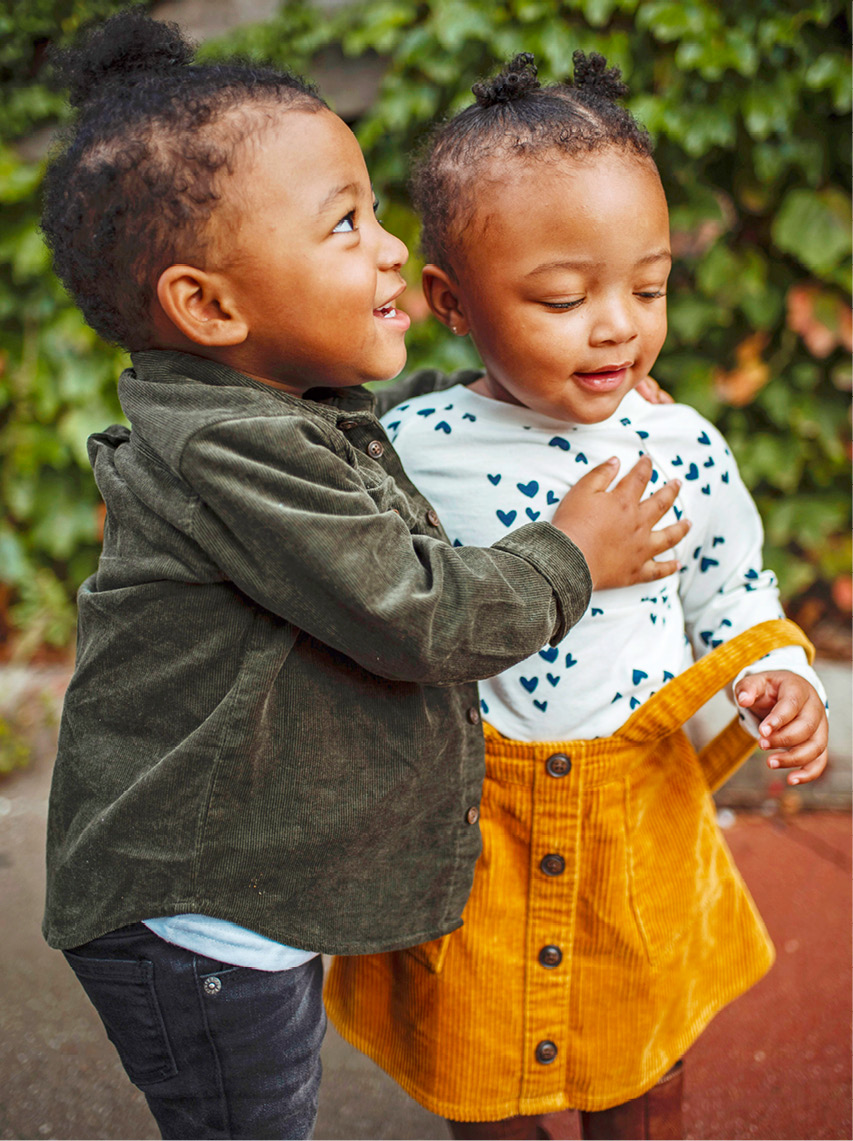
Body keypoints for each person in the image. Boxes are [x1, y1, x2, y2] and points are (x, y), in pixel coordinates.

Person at [39, 16, 691, 1140]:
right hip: (201, 924)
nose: (389, 247)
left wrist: (517, 396)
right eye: (346, 223)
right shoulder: (232, 454)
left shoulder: (269, 409)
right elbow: (418, 612)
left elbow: (384, 430)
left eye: (375, 210)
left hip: (240, 901)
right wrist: (571, 553)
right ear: (209, 307)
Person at [324, 52, 830, 1140]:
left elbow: (733, 590)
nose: (616, 326)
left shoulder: (678, 442)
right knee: (480, 1069)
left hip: (638, 817)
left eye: (646, 287)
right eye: (562, 297)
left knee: (642, 1064)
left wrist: (775, 672)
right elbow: (379, 603)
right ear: (452, 303)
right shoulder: (406, 450)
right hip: (473, 822)